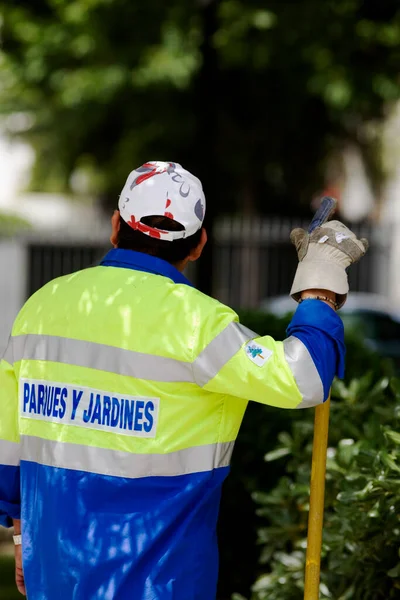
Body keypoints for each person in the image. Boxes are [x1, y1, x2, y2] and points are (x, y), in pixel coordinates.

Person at [0, 161, 368, 600]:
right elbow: (303, 376)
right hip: (160, 585)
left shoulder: (41, 306)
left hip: (53, 578)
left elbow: (10, 447)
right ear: (198, 246)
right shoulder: (197, 324)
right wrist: (320, 285)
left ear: (116, 226)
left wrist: (22, 542)